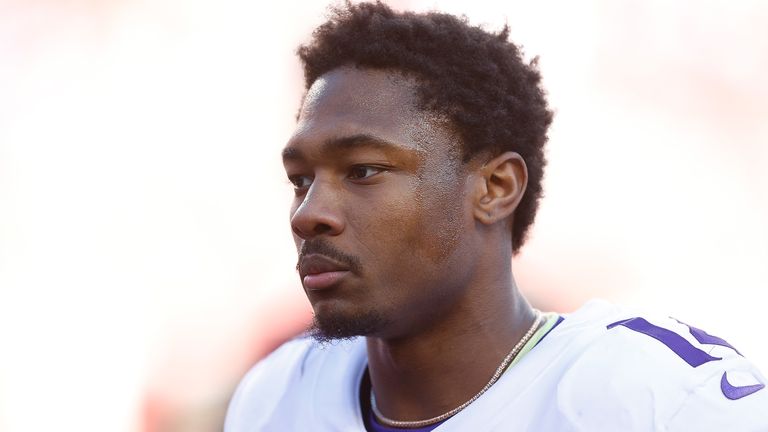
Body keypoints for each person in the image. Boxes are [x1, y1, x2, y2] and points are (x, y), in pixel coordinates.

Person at [224, 2, 768, 430]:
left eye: (363, 170)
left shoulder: (654, 397)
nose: (309, 214)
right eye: (300, 180)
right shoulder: (274, 398)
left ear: (495, 187)